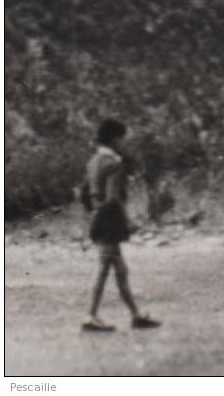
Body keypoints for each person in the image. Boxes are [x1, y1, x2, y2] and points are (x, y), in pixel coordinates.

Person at [82, 118, 161, 331]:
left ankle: (136, 315)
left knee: (120, 269)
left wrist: (94, 216)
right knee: (106, 268)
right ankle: (91, 315)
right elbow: (114, 198)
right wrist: (127, 222)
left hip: (99, 216)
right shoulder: (114, 164)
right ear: (115, 138)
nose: (123, 143)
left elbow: (84, 194)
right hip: (110, 218)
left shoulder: (93, 161)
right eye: (121, 139)